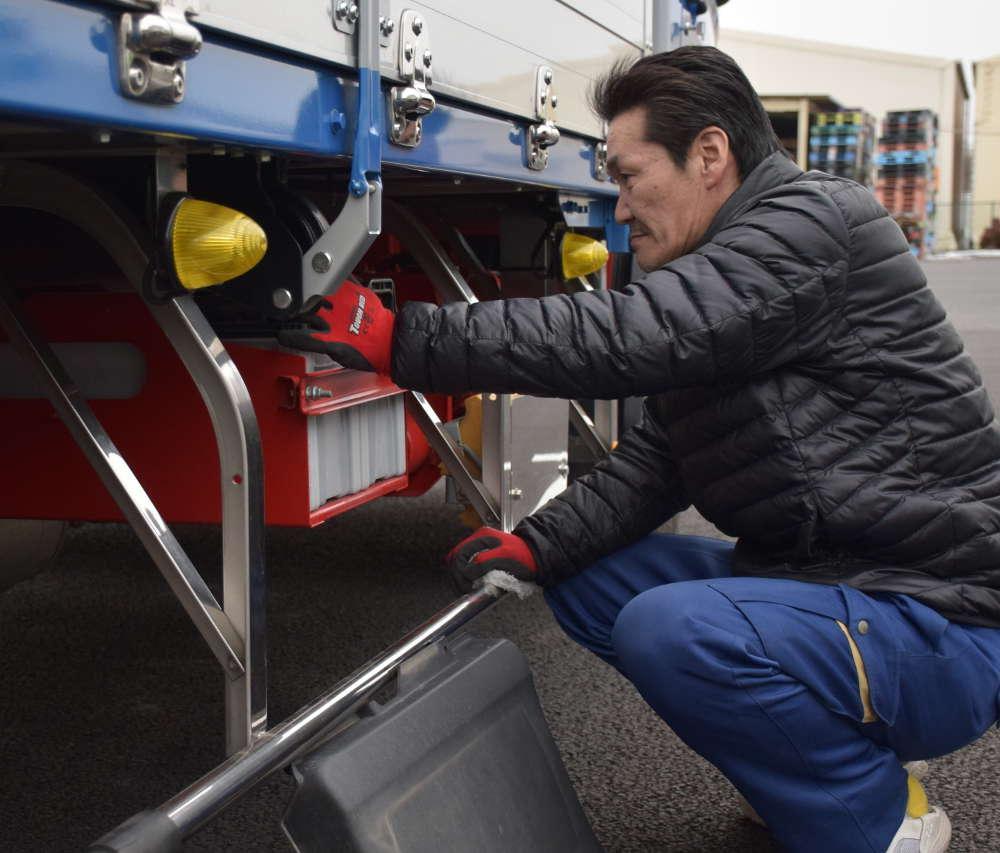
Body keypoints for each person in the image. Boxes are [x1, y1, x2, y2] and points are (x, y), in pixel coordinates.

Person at [280, 47, 1000, 853]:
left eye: (627, 176)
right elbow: (663, 457)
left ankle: (882, 819)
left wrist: (407, 337)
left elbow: (634, 332)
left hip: (939, 621)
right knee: (593, 581)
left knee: (672, 629)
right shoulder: (736, 270)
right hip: (838, 588)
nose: (618, 209)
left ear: (710, 155)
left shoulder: (811, 224)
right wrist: (538, 544)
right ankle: (812, 760)